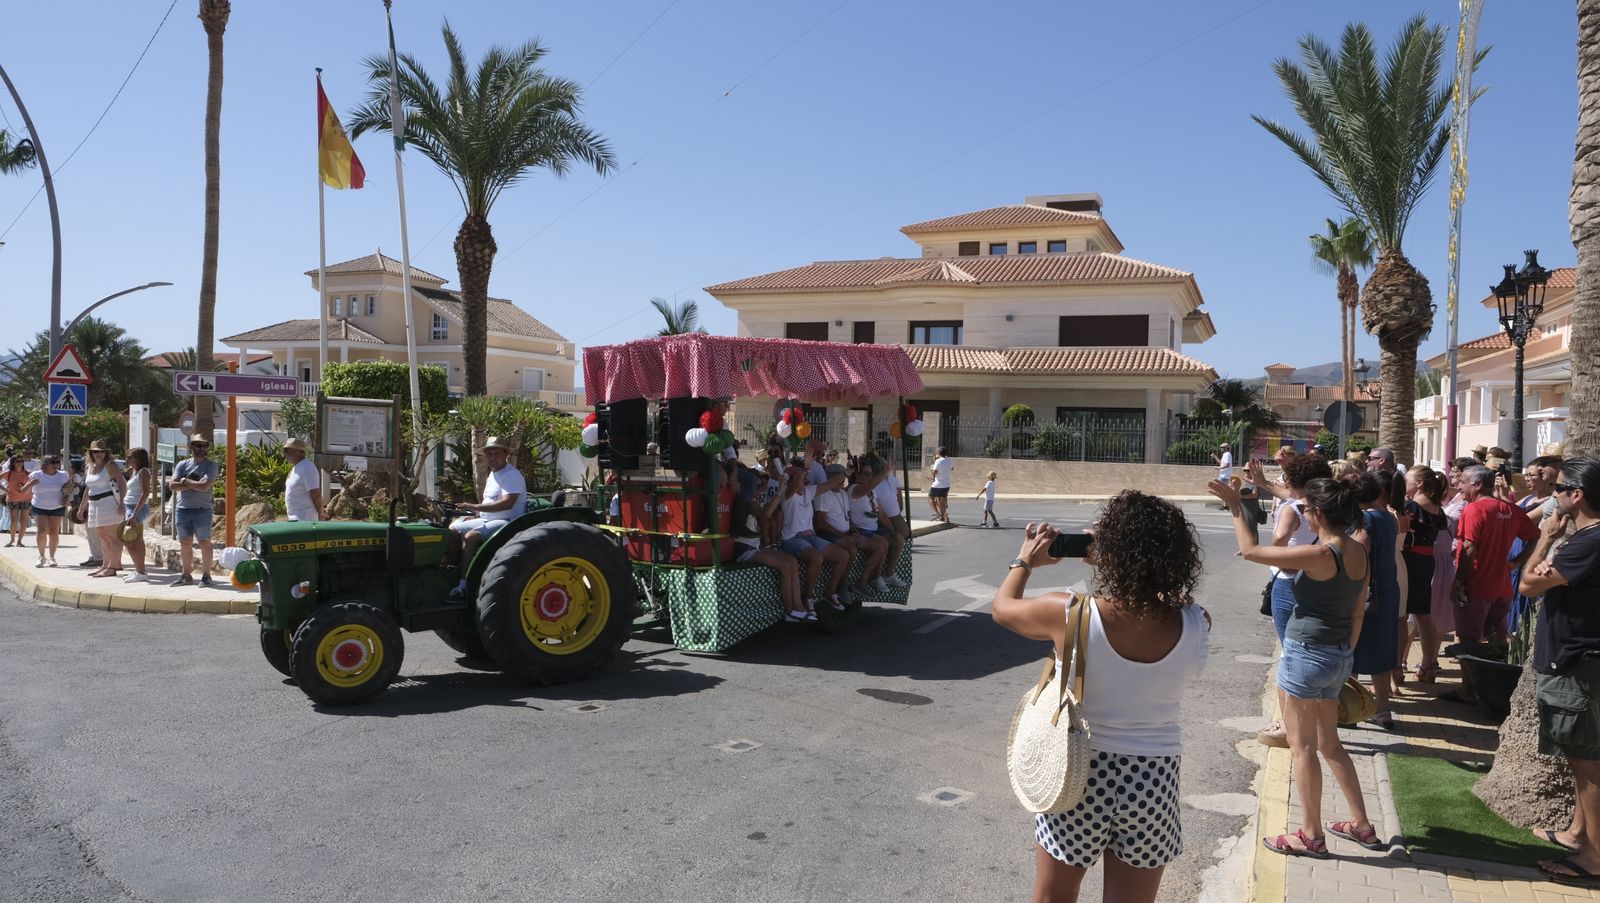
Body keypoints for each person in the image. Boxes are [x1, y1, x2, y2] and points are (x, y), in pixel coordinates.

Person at [993, 491, 1208, 903]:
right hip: (1154, 779)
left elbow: (1003, 608)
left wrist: (1025, 561)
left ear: (1111, 550)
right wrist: (1129, 567)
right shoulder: (1196, 622)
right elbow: (1168, 602)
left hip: (1079, 772)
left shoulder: (1069, 612)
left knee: (1054, 897)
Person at [1210, 475, 1382, 857]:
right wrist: (1343, 657)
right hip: (1338, 655)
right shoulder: (1358, 551)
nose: (1303, 514)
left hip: (1306, 655)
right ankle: (1361, 824)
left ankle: (1311, 835)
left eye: (1305, 509)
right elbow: (1358, 612)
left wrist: (1237, 506)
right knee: (1330, 744)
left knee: (1302, 747)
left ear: (1319, 512)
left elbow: (1250, 551)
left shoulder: (1321, 555)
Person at [1516, 458, 1600, 886]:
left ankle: (1593, 857)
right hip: (1575, 659)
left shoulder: (1589, 541)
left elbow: (1527, 584)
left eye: (1559, 488)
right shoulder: (1586, 539)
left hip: (1577, 663)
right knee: (1579, 753)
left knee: (1586, 759)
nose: (1553, 495)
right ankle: (1577, 833)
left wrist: (1545, 540)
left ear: (1577, 495)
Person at [1246, 452, 1332, 746]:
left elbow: (1278, 541)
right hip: (1316, 580)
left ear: (1294, 479)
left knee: (1289, 653)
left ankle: (1287, 725)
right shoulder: (1322, 505)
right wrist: (1264, 483)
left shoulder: (1292, 509)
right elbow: (1286, 492)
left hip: (1287, 584)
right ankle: (1311, 720)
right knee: (1306, 647)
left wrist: (1284, 558)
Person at [1452, 465, 1540, 651]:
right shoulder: (1511, 509)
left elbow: (1469, 548)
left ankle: (1473, 671)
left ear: (1477, 484)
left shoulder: (1475, 509)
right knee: (1497, 641)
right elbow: (1535, 536)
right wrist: (1516, 562)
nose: (1459, 486)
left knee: (1469, 642)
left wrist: (1459, 582)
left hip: (1476, 586)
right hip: (1502, 588)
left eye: (1463, 482)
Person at [1348, 470, 1407, 728]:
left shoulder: (1366, 520)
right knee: (1381, 652)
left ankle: (1349, 709)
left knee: (1351, 650)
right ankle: (1383, 709)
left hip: (1366, 593)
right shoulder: (1387, 516)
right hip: (1387, 591)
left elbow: (1358, 550)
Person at [446, 437, 525, 601]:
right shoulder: (493, 475)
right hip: (488, 519)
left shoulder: (511, 475)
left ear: (506, 455)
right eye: (489, 454)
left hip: (509, 521)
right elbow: (489, 502)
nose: (492, 457)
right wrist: (475, 514)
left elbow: (507, 504)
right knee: (450, 530)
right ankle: (449, 574)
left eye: (497, 453)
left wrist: (474, 507)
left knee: (470, 537)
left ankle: (464, 586)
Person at [1401, 466, 1448, 683]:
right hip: (1426, 560)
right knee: (1423, 614)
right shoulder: (1436, 507)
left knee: (1401, 616)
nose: (1404, 483)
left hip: (1409, 560)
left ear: (1419, 483)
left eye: (1407, 479)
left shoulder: (1411, 507)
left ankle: (1397, 666)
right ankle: (1429, 664)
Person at [813, 462, 886, 600]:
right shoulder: (823, 494)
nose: (843, 480)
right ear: (831, 477)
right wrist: (844, 536)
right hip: (830, 535)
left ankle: (862, 582)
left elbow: (847, 517)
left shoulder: (842, 493)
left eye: (844, 477)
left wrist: (853, 530)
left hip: (845, 534)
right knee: (851, 549)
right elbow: (821, 524)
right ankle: (842, 585)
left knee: (879, 547)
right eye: (840, 476)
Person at [171, 434, 219, 587]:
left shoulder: (211, 466)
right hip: (182, 510)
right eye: (198, 445)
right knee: (185, 542)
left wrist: (185, 481)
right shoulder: (182, 464)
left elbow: (205, 486)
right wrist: (194, 484)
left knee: (204, 542)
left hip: (202, 510)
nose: (201, 449)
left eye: (204, 446)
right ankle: (186, 576)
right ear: (192, 447)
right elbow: (172, 485)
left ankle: (207, 576)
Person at [78, 439, 128, 579]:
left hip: (109, 504)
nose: (98, 454)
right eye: (95, 452)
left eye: (101, 451)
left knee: (113, 537)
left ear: (106, 453)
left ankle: (112, 567)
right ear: (91, 453)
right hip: (94, 505)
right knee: (103, 537)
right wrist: (82, 507)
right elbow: (88, 489)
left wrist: (122, 504)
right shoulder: (89, 467)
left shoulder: (110, 465)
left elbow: (122, 484)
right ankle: (105, 565)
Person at [867, 452, 909, 588]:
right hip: (880, 520)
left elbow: (897, 494)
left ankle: (888, 573)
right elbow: (880, 512)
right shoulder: (872, 485)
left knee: (902, 536)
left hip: (892, 516)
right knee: (894, 539)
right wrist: (891, 527)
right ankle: (881, 575)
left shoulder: (889, 479)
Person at [21, 456, 69, 567]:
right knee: (42, 531)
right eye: (53, 462)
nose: (56, 465)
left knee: (54, 532)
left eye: (57, 462)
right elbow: (23, 491)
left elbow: (69, 487)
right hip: (39, 506)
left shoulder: (63, 475)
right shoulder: (36, 475)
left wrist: (66, 497)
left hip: (57, 506)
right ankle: (41, 556)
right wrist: (30, 484)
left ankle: (52, 557)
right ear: (45, 464)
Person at [121, 448, 153, 583]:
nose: (127, 460)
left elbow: (145, 493)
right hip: (129, 506)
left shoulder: (144, 472)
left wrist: (134, 513)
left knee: (131, 539)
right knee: (134, 540)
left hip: (136, 508)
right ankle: (139, 570)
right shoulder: (134, 471)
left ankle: (141, 571)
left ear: (138, 458)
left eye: (130, 457)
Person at [281, 437, 324, 522]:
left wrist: (321, 513)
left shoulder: (307, 467)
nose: (285, 454)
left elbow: (316, 494)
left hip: (306, 520)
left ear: (298, 452)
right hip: (295, 519)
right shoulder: (296, 467)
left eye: (287, 450)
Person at [4, 454, 30, 547]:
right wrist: (6, 490)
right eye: (18, 461)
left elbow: (34, 483)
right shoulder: (9, 473)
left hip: (26, 498)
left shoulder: (27, 473)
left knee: (24, 520)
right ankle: (12, 540)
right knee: (14, 520)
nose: (20, 463)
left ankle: (20, 541)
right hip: (12, 499)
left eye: (22, 461)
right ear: (13, 463)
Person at [927, 446, 953, 523]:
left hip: (938, 484)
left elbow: (935, 471)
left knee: (930, 498)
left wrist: (931, 475)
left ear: (938, 453)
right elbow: (952, 468)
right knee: (942, 500)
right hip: (946, 484)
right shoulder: (949, 460)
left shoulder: (938, 461)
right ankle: (942, 517)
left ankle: (938, 513)